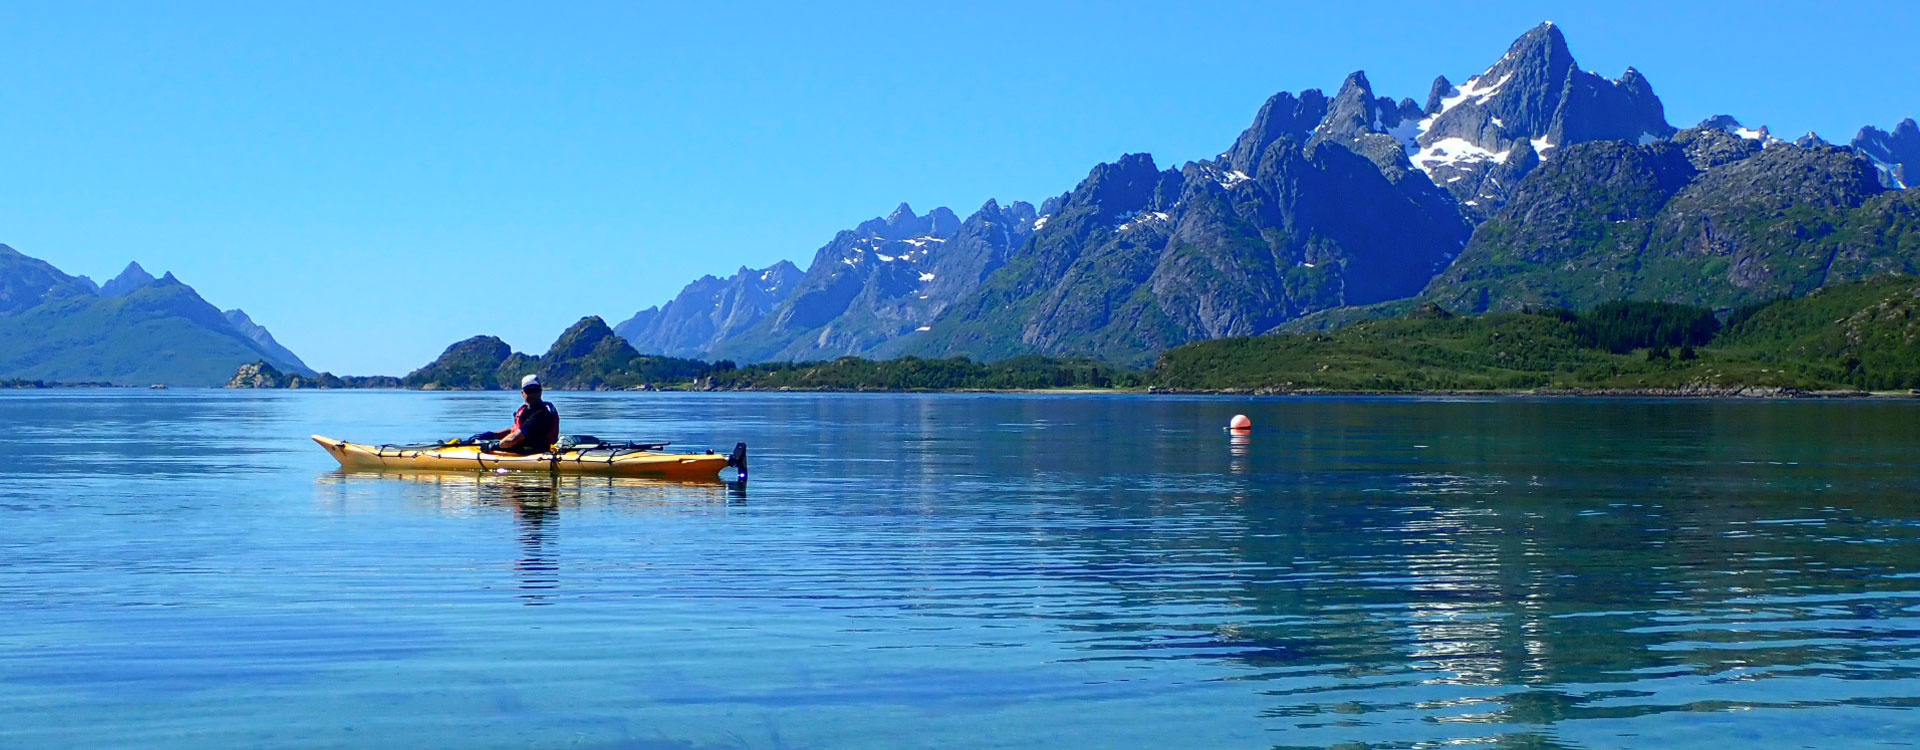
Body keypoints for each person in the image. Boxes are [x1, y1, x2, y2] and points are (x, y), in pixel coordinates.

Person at [471, 374, 560, 454]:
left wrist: (494, 445)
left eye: (535, 390)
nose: (533, 393)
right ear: (522, 393)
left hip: (533, 451)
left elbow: (513, 439)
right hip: (522, 448)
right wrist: (492, 435)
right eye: (529, 390)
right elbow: (515, 430)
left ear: (540, 391)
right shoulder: (527, 411)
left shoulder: (541, 414)